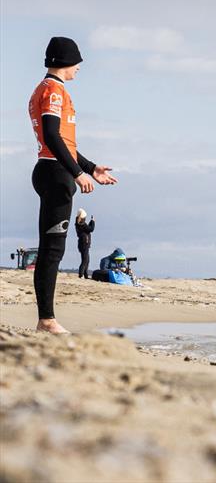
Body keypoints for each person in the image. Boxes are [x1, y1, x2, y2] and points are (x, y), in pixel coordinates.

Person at [29, 37, 117, 334]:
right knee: (52, 250)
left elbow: (63, 142)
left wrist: (91, 169)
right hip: (56, 175)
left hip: (52, 170)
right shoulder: (53, 91)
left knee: (52, 249)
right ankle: (47, 320)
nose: (79, 68)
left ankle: (46, 319)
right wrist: (78, 173)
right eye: (77, 62)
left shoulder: (46, 89)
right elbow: (53, 137)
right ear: (65, 61)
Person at [75, 208, 95, 279]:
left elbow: (88, 229)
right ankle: (81, 275)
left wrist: (91, 221)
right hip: (84, 244)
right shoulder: (82, 224)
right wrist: (93, 221)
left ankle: (85, 275)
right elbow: (91, 229)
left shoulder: (79, 223)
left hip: (82, 244)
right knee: (85, 260)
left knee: (86, 260)